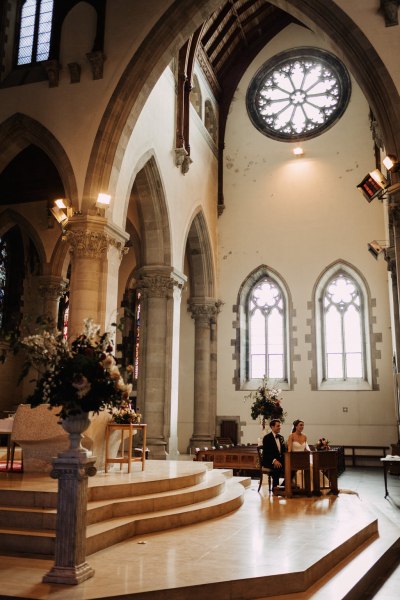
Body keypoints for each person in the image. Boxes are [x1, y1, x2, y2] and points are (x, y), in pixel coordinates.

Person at [262, 419, 286, 492]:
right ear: (272, 427)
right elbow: (266, 453)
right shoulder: (267, 438)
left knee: (292, 468)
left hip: (280, 460)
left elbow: (283, 451)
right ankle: (275, 489)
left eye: (280, 426)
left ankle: (282, 487)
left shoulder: (281, 437)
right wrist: (274, 460)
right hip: (269, 461)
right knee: (277, 466)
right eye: (278, 426)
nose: (279, 427)